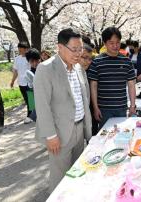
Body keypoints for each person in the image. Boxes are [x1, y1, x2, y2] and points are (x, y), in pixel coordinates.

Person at [33, 28, 92, 192]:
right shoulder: (46, 69)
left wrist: (88, 129)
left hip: (80, 129)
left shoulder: (79, 68)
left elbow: (83, 99)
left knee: (78, 172)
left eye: (80, 48)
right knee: (60, 179)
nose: (78, 53)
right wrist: (51, 136)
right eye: (74, 49)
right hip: (59, 133)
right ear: (60, 47)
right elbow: (42, 106)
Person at [88, 27, 136, 129]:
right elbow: (93, 86)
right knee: (104, 137)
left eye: (118, 42)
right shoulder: (97, 62)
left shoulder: (127, 61)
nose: (115, 46)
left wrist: (132, 105)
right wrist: (95, 108)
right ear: (105, 43)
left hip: (121, 108)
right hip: (103, 109)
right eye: (111, 43)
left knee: (121, 135)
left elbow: (131, 84)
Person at [10, 42, 32, 124]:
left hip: (30, 82)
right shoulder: (17, 59)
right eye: (19, 50)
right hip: (21, 83)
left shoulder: (30, 58)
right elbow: (15, 71)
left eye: (21, 50)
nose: (20, 51)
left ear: (26, 49)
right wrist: (12, 81)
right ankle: (32, 114)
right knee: (27, 100)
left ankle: (30, 116)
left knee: (30, 99)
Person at [25, 48, 41, 122]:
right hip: (37, 102)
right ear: (28, 62)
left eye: (36, 61)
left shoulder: (46, 69)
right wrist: (32, 107)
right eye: (32, 61)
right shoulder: (29, 74)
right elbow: (30, 93)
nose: (35, 63)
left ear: (39, 59)